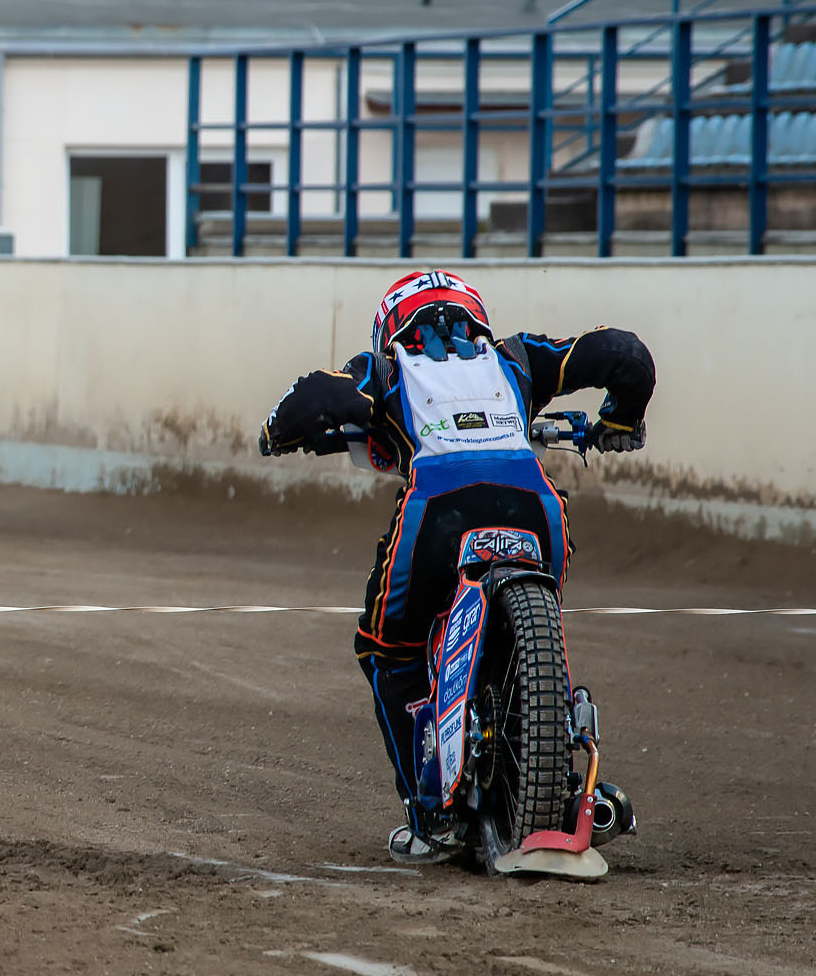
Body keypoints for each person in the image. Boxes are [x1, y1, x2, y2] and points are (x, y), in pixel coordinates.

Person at [257, 269, 654, 864]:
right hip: (534, 504)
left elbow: (316, 396)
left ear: (394, 325)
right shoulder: (516, 359)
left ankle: (429, 821)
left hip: (437, 509)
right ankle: (557, 764)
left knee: (386, 649)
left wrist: (276, 432)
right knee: (542, 614)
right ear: (476, 321)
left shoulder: (386, 370)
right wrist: (621, 421)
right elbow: (624, 354)